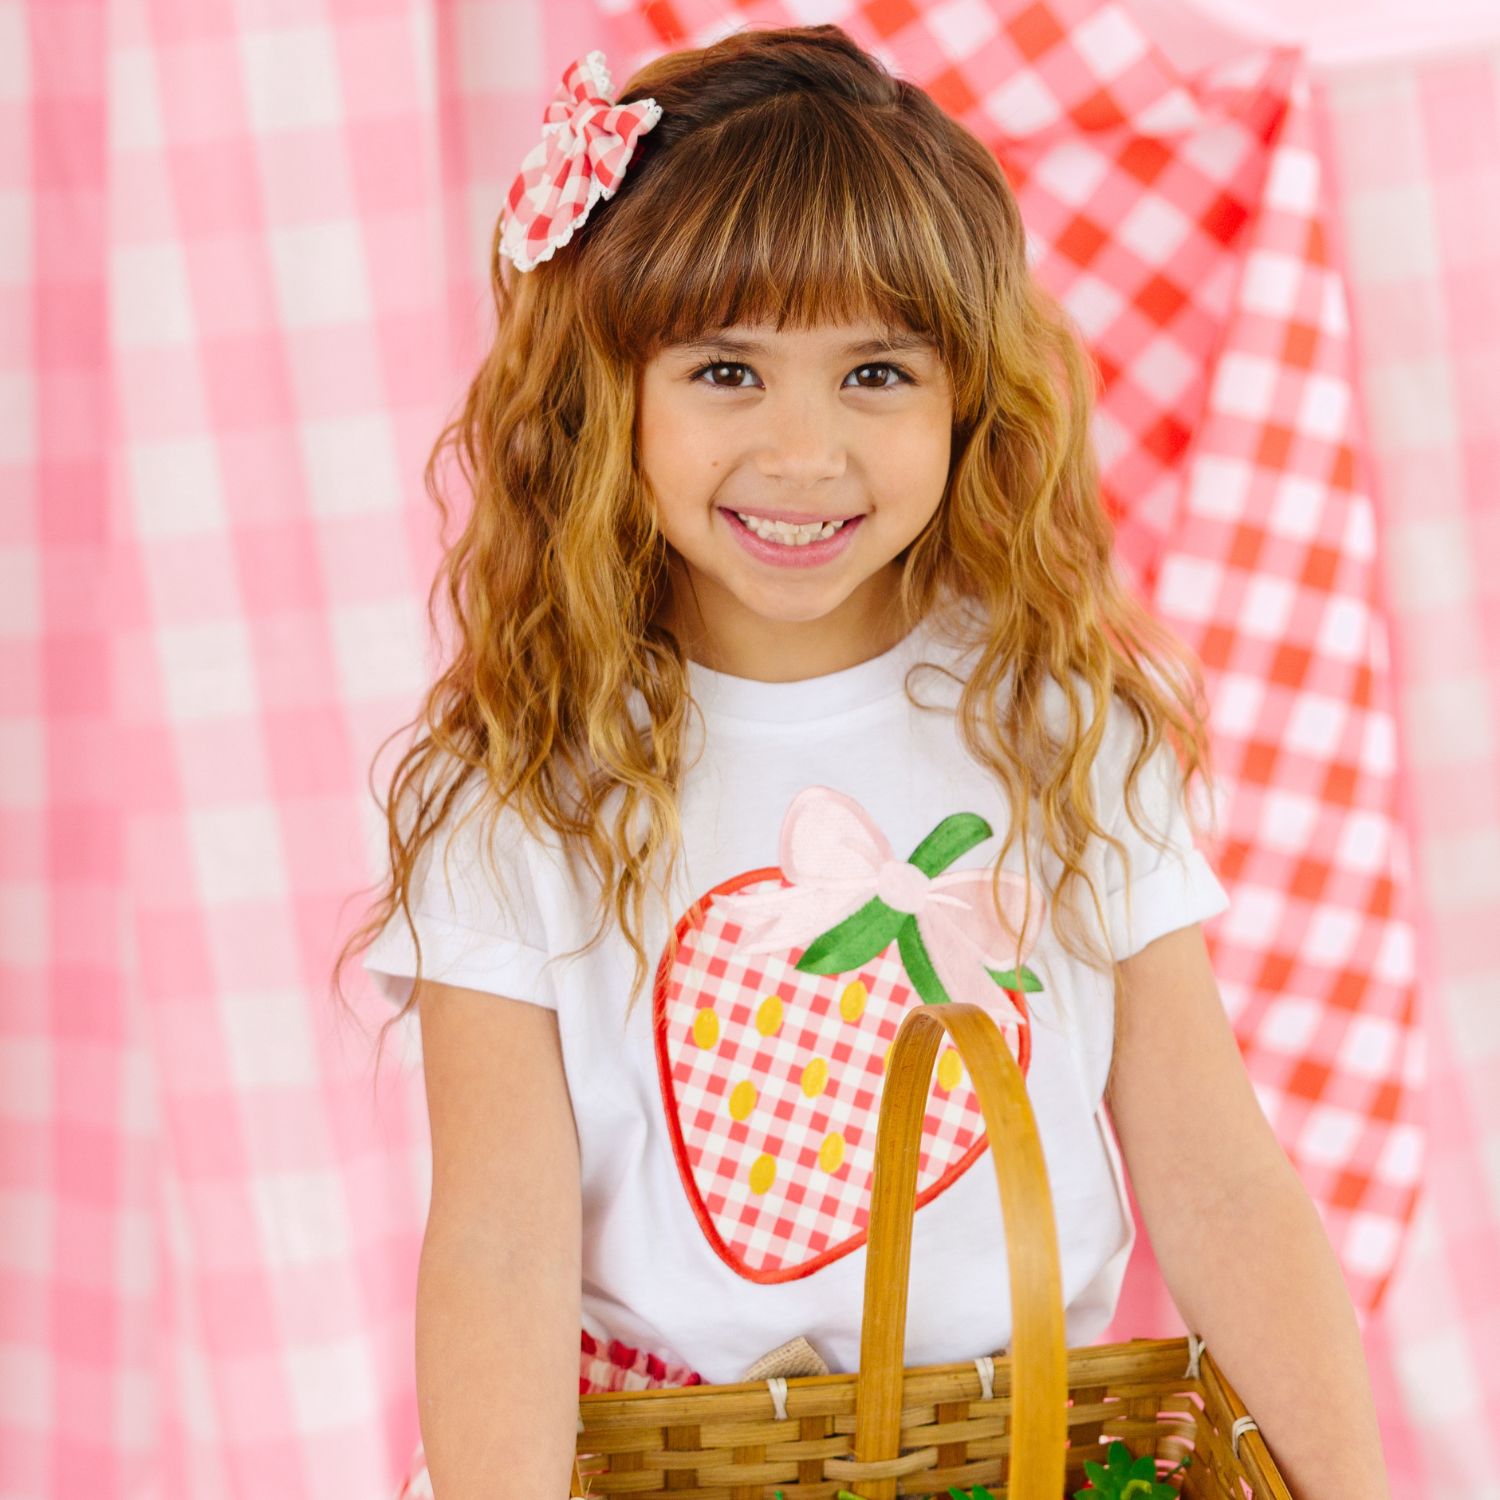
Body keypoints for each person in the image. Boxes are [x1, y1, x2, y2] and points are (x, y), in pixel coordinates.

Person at [337, 23, 1391, 1500]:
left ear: (972, 395)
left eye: (878, 372)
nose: (806, 454)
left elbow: (1218, 1178)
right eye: (725, 370)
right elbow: (500, 1243)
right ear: (603, 395)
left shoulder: (1059, 725)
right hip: (674, 1466)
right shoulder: (525, 783)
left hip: (1020, 1456)